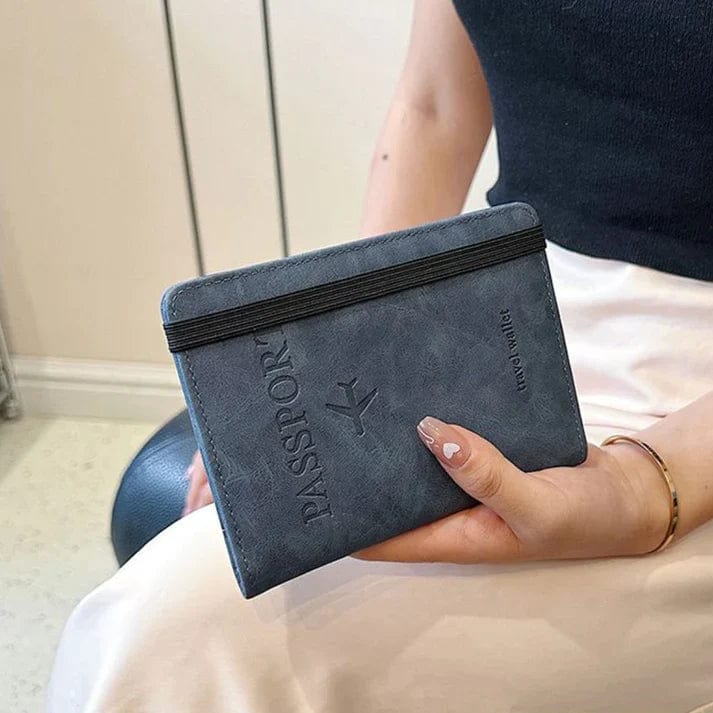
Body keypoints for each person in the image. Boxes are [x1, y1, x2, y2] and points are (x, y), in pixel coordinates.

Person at [48, 2, 713, 711]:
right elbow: (433, 108)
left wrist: (644, 489)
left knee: (181, 638)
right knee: (167, 615)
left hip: (690, 413)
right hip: (491, 314)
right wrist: (342, 341)